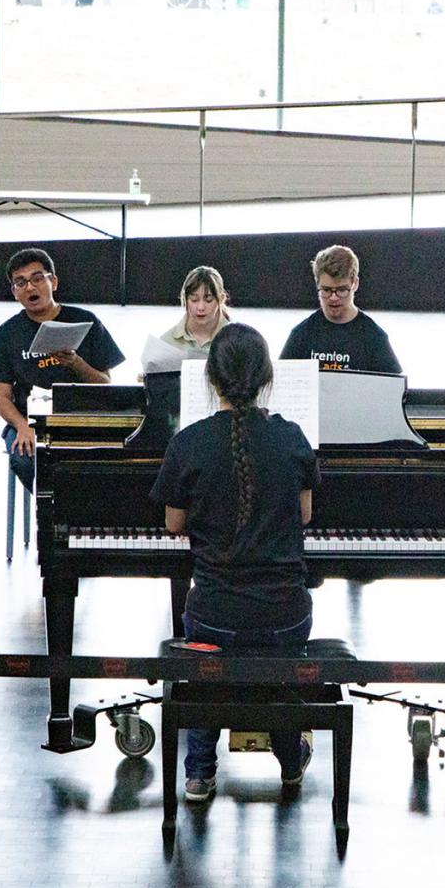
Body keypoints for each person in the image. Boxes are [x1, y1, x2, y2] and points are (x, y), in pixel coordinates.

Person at [151, 323, 319, 802]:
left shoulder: (190, 441)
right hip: (284, 614)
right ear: (267, 377)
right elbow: (304, 515)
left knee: (204, 666)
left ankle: (200, 773)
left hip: (214, 614)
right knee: (282, 668)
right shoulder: (291, 437)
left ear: (211, 379)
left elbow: (174, 524)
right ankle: (290, 760)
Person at [0, 248, 125, 490]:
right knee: (25, 459)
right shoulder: (7, 334)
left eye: (38, 278)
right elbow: (2, 398)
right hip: (31, 421)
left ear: (54, 282)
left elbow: (106, 385)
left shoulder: (85, 321)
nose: (30, 287)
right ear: (14, 292)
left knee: (111, 458)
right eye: (21, 282)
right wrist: (21, 425)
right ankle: (55, 518)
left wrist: (76, 363)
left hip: (81, 416)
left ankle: (78, 515)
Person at [278, 244, 402, 374]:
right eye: (326, 290)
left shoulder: (374, 338)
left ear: (355, 283)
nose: (333, 298)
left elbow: (394, 389)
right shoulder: (301, 335)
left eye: (341, 290)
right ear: (316, 283)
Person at [144, 264, 230, 371]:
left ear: (221, 299)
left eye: (208, 300)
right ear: (185, 300)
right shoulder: (167, 344)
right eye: (194, 300)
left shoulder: (236, 340)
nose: (200, 307)